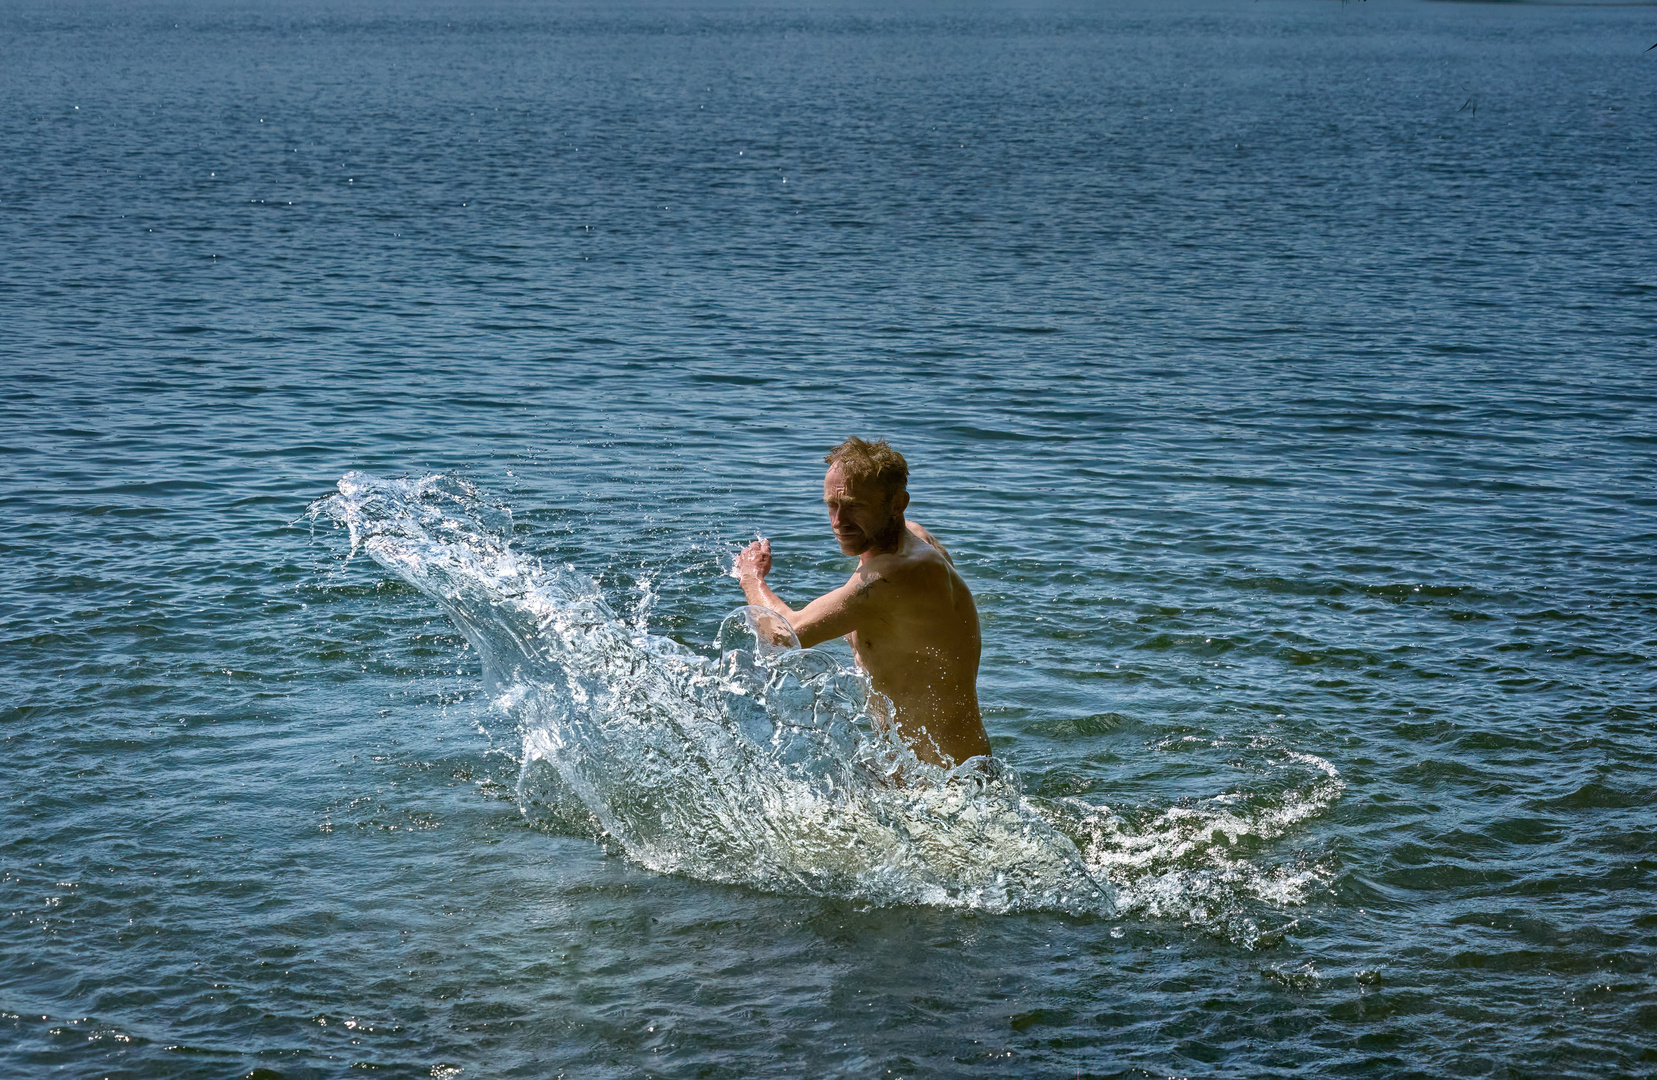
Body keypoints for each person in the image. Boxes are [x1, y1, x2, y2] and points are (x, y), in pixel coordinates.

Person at [732, 437, 992, 769]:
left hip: (949, 784)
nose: (838, 522)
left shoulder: (897, 573)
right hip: (914, 772)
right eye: (831, 505)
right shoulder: (907, 542)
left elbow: (784, 635)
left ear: (898, 504)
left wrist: (751, 578)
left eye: (854, 506)